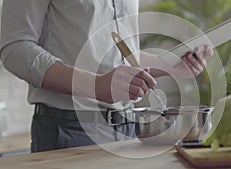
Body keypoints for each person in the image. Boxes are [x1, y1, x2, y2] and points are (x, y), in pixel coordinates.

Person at [0, 0, 214, 152]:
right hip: (70, 132)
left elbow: (118, 57)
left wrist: (172, 66)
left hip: (129, 130)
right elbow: (15, 48)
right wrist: (96, 85)